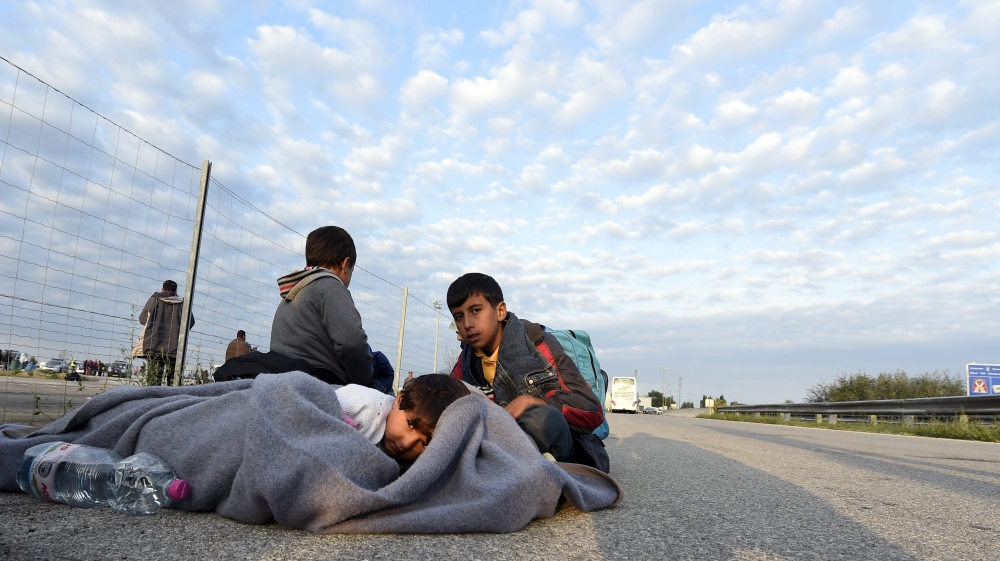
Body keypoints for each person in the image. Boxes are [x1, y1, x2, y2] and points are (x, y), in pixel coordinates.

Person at [447, 273, 606, 467]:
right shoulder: (467, 360)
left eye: (476, 310)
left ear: (500, 311)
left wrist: (532, 401)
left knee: (538, 418)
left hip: (556, 446)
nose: (467, 324)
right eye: (459, 316)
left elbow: (591, 409)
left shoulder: (539, 345)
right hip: (499, 444)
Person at [270, 226, 373, 387]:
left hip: (282, 376)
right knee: (379, 366)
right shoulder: (330, 285)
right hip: (318, 381)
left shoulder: (293, 292)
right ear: (346, 264)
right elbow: (352, 343)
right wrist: (364, 382)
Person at [336, 373, 470, 461]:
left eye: (424, 443)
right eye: (410, 424)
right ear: (400, 400)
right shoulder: (364, 404)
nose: (406, 444)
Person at [139, 280, 194, 387]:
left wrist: (155, 324)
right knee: (174, 384)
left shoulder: (154, 300)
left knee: (153, 383)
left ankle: (153, 402)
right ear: (176, 290)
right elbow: (190, 323)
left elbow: (142, 319)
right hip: (174, 348)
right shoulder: (182, 303)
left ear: (162, 289)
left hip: (154, 346)